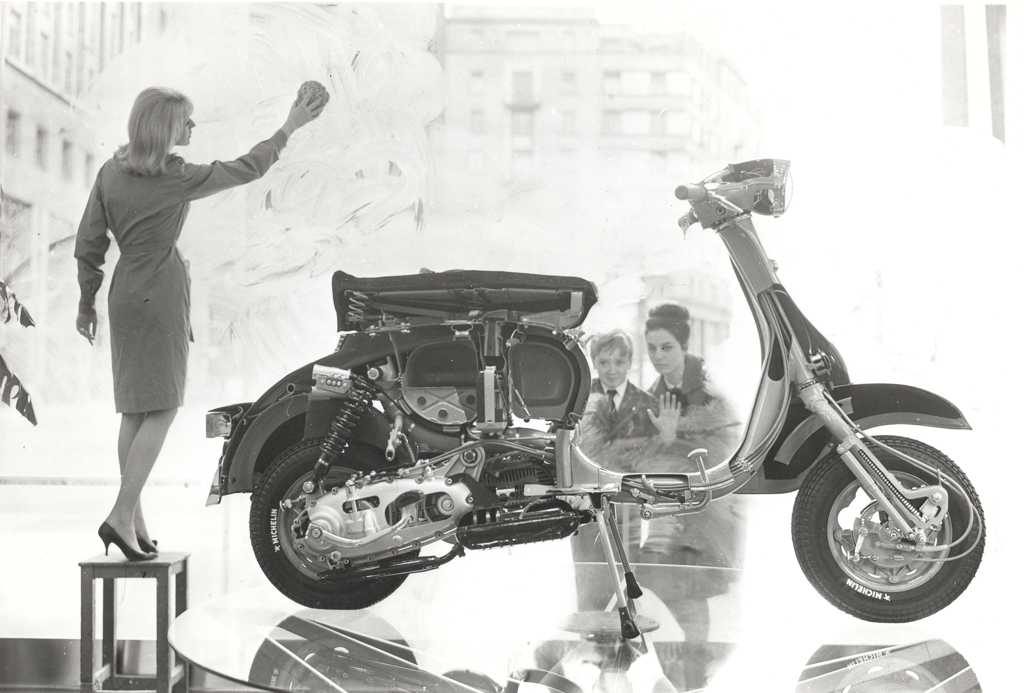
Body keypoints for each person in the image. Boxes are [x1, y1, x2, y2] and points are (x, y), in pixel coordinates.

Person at [75, 86, 326, 560]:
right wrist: (290, 124)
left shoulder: (110, 173)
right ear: (165, 126)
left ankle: (132, 522)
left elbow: (89, 243)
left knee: (134, 409)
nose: (192, 128)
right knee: (164, 406)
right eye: (186, 121)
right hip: (161, 292)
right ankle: (120, 515)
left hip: (124, 292)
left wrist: (85, 303)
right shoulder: (175, 176)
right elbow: (248, 167)